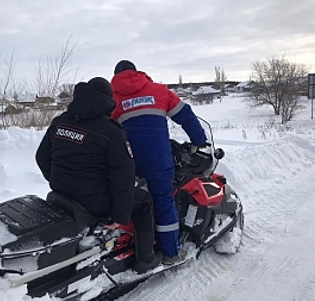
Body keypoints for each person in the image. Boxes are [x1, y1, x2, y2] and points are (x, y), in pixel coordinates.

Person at [35, 77, 161, 274]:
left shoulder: (60, 123)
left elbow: (41, 157)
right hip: (95, 203)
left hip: (62, 194)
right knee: (144, 202)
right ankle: (146, 258)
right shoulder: (111, 132)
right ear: (107, 100)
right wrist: (120, 215)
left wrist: (58, 180)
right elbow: (124, 178)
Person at [110, 60, 208, 264]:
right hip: (158, 159)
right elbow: (186, 115)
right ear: (136, 71)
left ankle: (136, 245)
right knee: (163, 201)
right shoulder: (159, 90)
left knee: (134, 201)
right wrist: (199, 141)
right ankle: (170, 254)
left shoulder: (113, 98)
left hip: (128, 162)